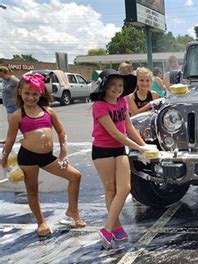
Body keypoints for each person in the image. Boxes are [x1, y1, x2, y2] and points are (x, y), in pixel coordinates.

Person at [1, 73, 86, 237]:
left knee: (75, 176)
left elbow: (61, 132)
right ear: (20, 92)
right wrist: (4, 160)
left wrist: (63, 152)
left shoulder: (49, 111)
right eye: (27, 93)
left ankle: (72, 211)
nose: (31, 97)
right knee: (32, 191)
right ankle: (41, 222)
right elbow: (10, 140)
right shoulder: (17, 115)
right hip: (28, 158)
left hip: (48, 157)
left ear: (40, 94)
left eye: (34, 94)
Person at [90, 69, 150, 249]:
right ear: (104, 86)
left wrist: (144, 146)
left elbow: (129, 128)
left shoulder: (123, 101)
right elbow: (115, 133)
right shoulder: (99, 106)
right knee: (110, 189)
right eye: (113, 85)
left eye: (121, 85)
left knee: (125, 188)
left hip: (119, 149)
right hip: (102, 151)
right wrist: (138, 147)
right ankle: (116, 228)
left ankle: (107, 229)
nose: (117, 88)